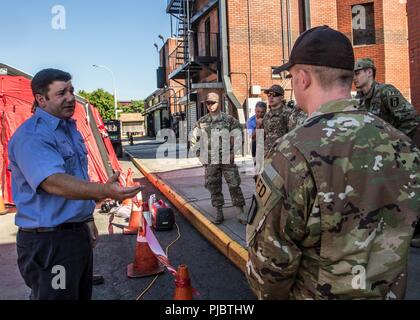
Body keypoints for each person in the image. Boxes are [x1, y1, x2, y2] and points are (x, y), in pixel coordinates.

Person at [246, 26, 420, 300]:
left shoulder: (292, 153)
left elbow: (270, 267)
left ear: (303, 78)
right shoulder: (402, 144)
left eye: (292, 77)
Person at [8, 69, 142, 300]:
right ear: (41, 99)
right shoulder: (33, 136)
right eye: (61, 93)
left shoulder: (69, 129)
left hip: (73, 236)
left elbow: (75, 177)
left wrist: (87, 218)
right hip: (50, 243)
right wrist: (105, 191)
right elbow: (54, 183)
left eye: (71, 90)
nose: (70, 97)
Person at [190, 92, 246, 225]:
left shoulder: (228, 120)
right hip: (211, 160)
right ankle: (219, 212)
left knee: (234, 185)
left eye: (213, 102)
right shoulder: (202, 122)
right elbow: (193, 140)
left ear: (218, 102)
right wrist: (200, 156)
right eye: (208, 103)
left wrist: (235, 152)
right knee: (214, 187)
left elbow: (239, 135)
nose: (210, 105)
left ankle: (240, 212)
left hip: (227, 159)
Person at [354, 58, 418, 139]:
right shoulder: (358, 99)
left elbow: (411, 119)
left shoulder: (386, 92)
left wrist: (396, 142)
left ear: (369, 72)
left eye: (357, 73)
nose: (354, 78)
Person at [262, 85, 289, 157]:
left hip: (282, 156)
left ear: (282, 97)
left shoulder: (289, 114)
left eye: (274, 94)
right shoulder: (266, 116)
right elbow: (264, 137)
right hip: (267, 156)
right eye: (269, 95)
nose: (271, 97)